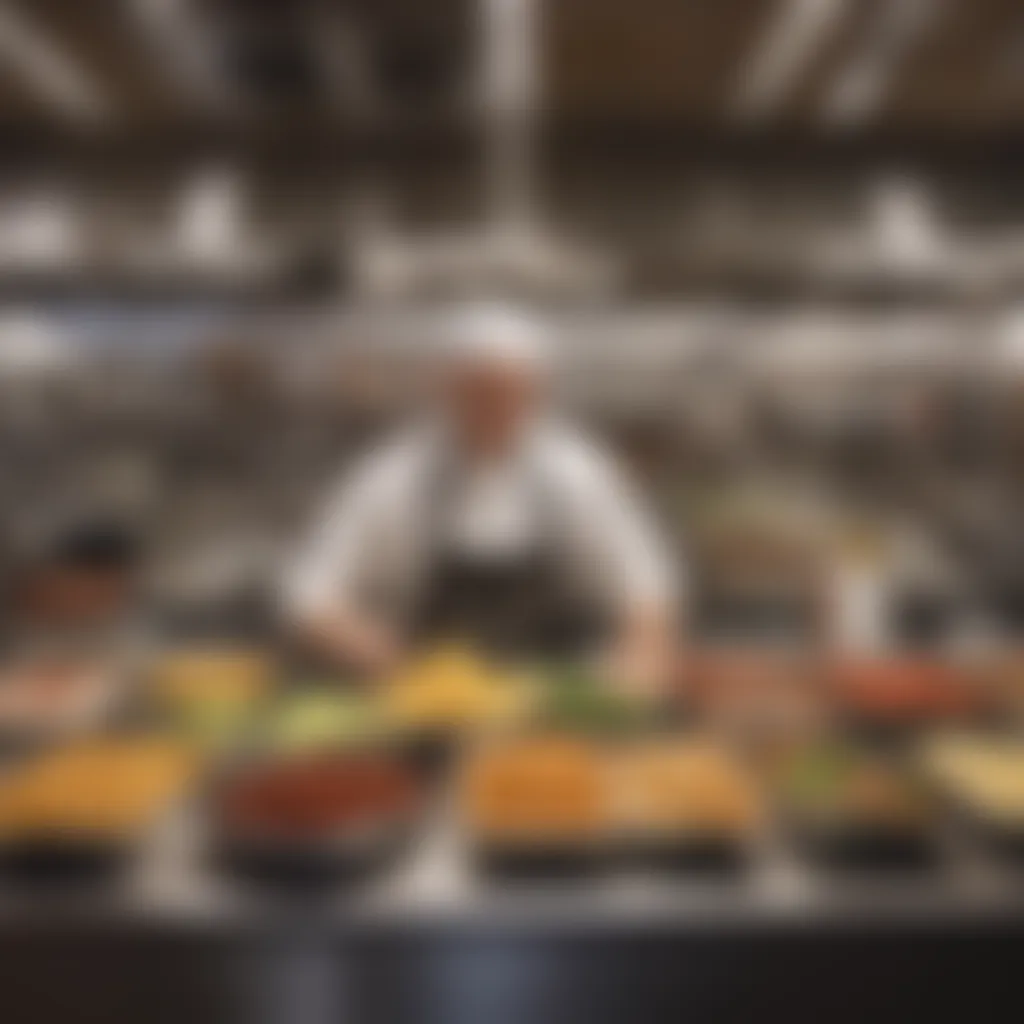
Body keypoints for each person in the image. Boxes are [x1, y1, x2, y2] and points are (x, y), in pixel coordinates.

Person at [284, 304, 677, 693]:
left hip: (549, 695)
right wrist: (373, 652)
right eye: (477, 392)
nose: (493, 407)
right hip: (422, 697)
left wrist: (638, 658)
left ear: (535, 393)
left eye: (508, 392)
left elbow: (644, 586)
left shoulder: (576, 472)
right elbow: (311, 593)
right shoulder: (392, 476)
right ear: (446, 390)